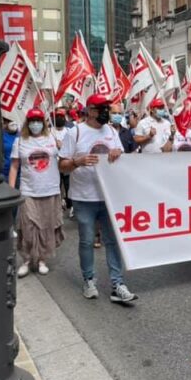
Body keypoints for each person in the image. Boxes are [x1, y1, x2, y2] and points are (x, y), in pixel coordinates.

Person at [59, 94, 138, 304]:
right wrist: (78, 161)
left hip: (109, 196)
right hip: (84, 197)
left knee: (112, 241)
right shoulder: (74, 132)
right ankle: (89, 280)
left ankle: (117, 283)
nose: (106, 112)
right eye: (102, 108)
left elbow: (121, 158)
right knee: (86, 240)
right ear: (90, 110)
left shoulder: (112, 131)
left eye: (108, 108)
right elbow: (62, 166)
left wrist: (117, 153)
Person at [8, 108, 64, 278]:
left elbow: (64, 159)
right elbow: (14, 166)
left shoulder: (52, 139)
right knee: (28, 226)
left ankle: (41, 260)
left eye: (38, 120)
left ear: (44, 122)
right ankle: (26, 260)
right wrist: (12, 191)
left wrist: (61, 148)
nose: (35, 124)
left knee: (47, 226)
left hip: (50, 189)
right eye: (32, 121)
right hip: (28, 190)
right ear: (27, 123)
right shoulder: (20, 142)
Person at [52, 108, 73, 214]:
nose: (60, 118)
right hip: (54, 165)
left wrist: (62, 146)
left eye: (62, 116)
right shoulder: (50, 132)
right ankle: (58, 204)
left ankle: (70, 205)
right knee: (57, 185)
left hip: (66, 163)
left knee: (68, 185)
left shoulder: (69, 132)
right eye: (58, 117)